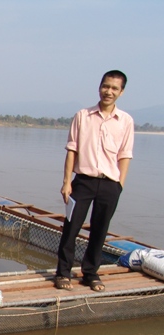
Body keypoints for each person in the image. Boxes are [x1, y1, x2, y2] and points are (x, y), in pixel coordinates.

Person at [54, 70, 134, 292]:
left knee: (100, 231)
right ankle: (63, 273)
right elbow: (72, 150)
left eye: (114, 88)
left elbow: (125, 155)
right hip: (83, 182)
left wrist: (120, 185)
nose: (109, 91)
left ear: (121, 92)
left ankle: (91, 273)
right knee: (71, 228)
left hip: (110, 184)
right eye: (106, 86)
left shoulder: (125, 121)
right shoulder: (83, 116)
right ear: (99, 87)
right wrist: (66, 181)